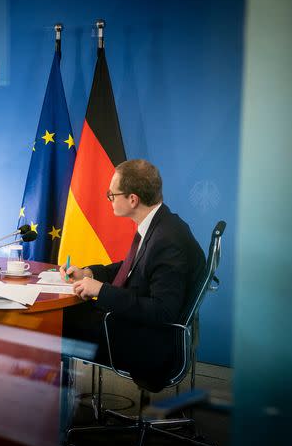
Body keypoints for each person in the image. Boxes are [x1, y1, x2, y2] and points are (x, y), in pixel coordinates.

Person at [60, 159, 204, 388]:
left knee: (56, 322)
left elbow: (163, 311)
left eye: (112, 194)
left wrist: (101, 290)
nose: (109, 199)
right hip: (136, 328)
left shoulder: (166, 241)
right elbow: (132, 267)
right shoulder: (161, 223)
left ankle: (53, 408)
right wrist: (89, 273)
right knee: (68, 312)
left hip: (149, 346)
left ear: (133, 199)